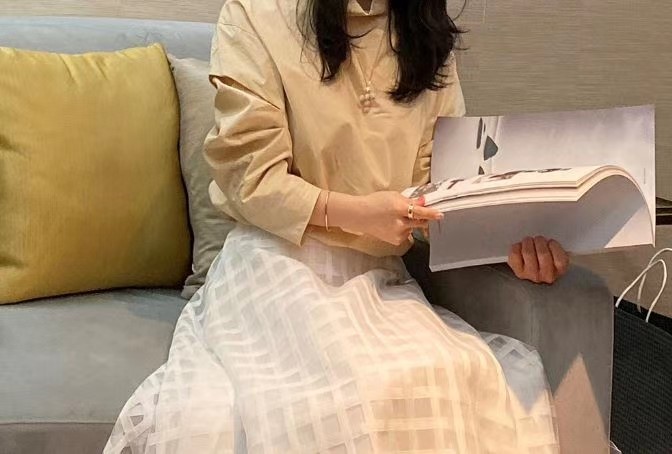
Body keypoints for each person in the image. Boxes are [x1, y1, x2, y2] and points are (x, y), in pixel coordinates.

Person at [105, 0, 566, 452]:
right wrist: (358, 214)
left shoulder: (425, 29)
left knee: (449, 373)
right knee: (350, 391)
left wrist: (505, 243)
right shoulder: (256, 14)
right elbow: (251, 177)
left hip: (379, 282)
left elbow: (436, 189)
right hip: (273, 266)